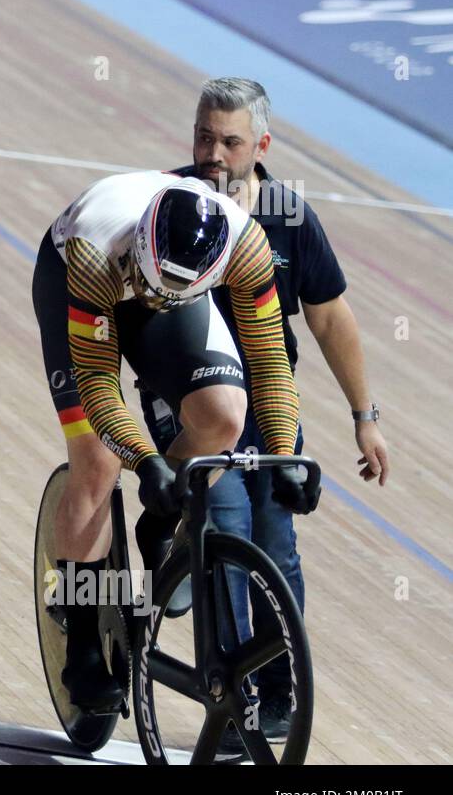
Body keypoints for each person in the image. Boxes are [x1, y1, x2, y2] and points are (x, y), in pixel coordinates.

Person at [138, 77, 390, 742]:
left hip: (266, 397)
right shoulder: (168, 200)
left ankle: (280, 690)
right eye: (202, 136)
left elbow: (331, 316)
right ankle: (233, 691)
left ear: (263, 146)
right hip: (191, 399)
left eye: (230, 141)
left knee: (276, 543)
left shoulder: (288, 214)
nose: (213, 153)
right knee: (229, 530)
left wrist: (365, 415)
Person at [30, 170, 321, 719]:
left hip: (172, 284)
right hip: (80, 278)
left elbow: (269, 364)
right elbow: (97, 384)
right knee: (97, 459)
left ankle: (158, 523)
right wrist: (145, 461)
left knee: (224, 416)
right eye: (152, 287)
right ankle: (84, 638)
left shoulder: (244, 246)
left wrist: (283, 453)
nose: (152, 300)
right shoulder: (97, 246)